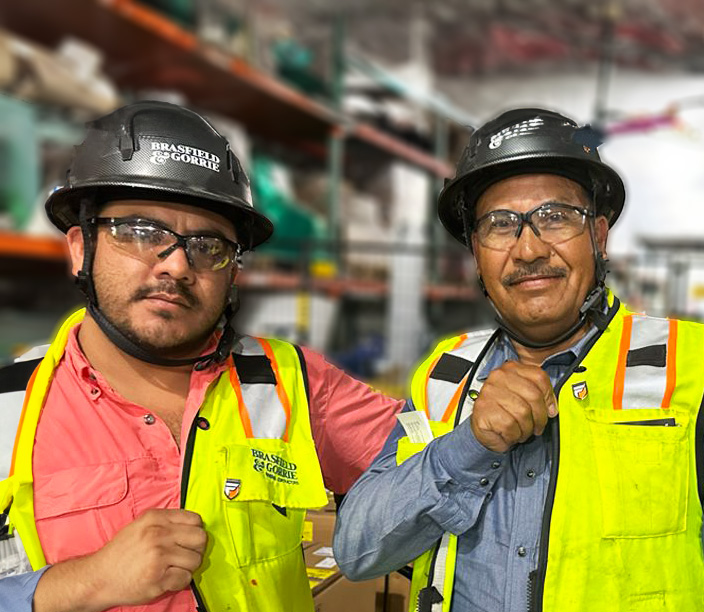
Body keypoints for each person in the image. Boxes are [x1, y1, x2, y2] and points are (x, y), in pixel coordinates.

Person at [332, 108, 704, 612]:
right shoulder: (446, 374)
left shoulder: (694, 365)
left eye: (555, 217)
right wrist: (468, 446)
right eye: (499, 224)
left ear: (599, 236)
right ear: (476, 254)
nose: (528, 248)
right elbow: (358, 549)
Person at [0, 101, 403, 612]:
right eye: (141, 233)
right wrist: (87, 583)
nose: (175, 265)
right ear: (81, 248)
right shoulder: (7, 409)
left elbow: (435, 460)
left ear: (232, 274)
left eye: (208, 246)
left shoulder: (292, 383)